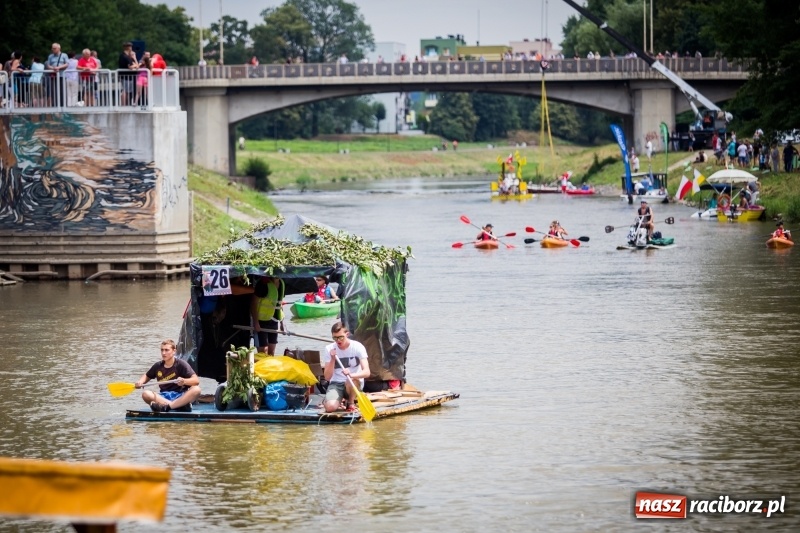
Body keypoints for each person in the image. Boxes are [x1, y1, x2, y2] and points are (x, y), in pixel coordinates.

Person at [135, 339, 201, 413]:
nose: (163, 353)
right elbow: (147, 376)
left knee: (196, 389)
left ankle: (168, 407)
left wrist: (184, 381)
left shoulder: (181, 364)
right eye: (162, 350)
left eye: (167, 350)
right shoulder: (158, 366)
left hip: (180, 396)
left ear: (174, 351)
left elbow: (196, 381)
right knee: (146, 394)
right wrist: (140, 382)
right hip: (163, 397)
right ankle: (178, 406)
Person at [322, 322, 370, 413]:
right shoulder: (329, 349)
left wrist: (352, 375)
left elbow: (367, 372)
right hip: (336, 383)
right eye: (335, 338)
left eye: (341, 337)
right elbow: (327, 377)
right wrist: (332, 359)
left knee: (352, 379)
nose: (338, 341)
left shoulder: (357, 347)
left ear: (347, 334)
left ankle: (350, 403)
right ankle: (330, 400)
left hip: (353, 383)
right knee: (330, 408)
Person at [250, 276, 285, 355]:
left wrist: (282, 323)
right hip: (261, 321)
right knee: (262, 352)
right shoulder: (263, 284)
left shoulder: (282, 283)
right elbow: (253, 303)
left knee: (271, 352)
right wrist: (255, 322)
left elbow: (280, 304)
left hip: (274, 320)